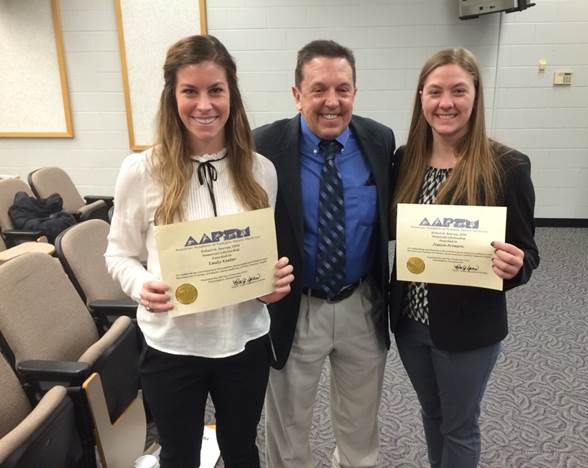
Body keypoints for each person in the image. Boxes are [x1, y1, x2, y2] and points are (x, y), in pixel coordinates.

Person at [105, 35, 294, 468]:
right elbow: (118, 255)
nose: (204, 104)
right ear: (173, 97)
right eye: (190, 91)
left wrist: (270, 285)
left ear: (232, 95)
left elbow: (260, 256)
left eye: (216, 90)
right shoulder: (140, 171)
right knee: (179, 455)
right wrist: (141, 285)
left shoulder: (261, 170)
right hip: (172, 344)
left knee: (242, 451)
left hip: (243, 341)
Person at [389, 48, 540, 468]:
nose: (446, 103)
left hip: (469, 329)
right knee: (432, 413)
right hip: (410, 323)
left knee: (459, 426)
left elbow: (528, 252)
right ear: (421, 98)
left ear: (476, 96)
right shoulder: (406, 161)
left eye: (458, 90)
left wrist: (515, 266)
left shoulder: (507, 166)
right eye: (435, 91)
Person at [253, 40, 395, 468]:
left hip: (361, 303)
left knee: (360, 420)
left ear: (355, 92)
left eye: (343, 89)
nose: (332, 101)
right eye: (318, 89)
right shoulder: (263, 147)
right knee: (289, 423)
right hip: (297, 305)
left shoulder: (379, 140)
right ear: (297, 94)